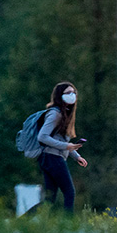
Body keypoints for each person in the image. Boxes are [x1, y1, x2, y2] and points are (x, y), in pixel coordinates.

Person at [36, 81, 88, 213]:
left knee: (49, 199)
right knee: (69, 192)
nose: (72, 95)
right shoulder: (55, 114)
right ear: (60, 95)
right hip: (53, 157)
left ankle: (23, 221)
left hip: (49, 158)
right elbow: (42, 136)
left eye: (73, 92)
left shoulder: (64, 114)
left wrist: (77, 156)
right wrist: (67, 145)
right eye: (68, 93)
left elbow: (62, 141)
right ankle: (67, 226)